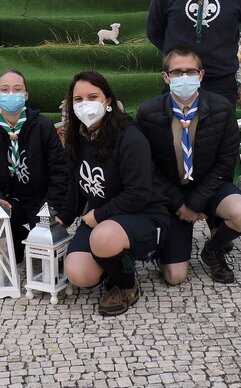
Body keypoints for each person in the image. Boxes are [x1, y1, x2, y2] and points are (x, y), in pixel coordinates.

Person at [136, 46, 241, 285]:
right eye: (177, 72)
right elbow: (148, 167)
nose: (184, 77)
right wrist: (180, 204)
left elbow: (225, 162)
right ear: (166, 77)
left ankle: (213, 250)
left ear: (201, 75)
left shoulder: (222, 109)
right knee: (174, 277)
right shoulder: (148, 113)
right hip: (170, 194)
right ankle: (166, 244)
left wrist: (195, 202)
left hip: (210, 187)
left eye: (190, 71)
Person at [59, 71, 171, 317]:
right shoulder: (77, 137)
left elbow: (139, 194)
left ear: (107, 101)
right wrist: (62, 219)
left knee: (103, 238)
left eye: (93, 96)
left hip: (145, 214)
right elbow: (77, 185)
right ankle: (112, 265)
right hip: (104, 217)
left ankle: (126, 284)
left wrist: (97, 215)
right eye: (78, 99)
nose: (85, 104)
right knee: (79, 274)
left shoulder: (130, 137)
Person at [0, 68, 69, 260]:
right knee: (9, 253)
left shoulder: (43, 126)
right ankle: (18, 237)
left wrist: (50, 205)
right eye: (5, 89)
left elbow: (59, 171)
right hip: (8, 200)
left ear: (26, 95)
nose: (11, 94)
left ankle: (35, 239)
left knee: (46, 258)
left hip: (40, 200)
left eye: (17, 89)